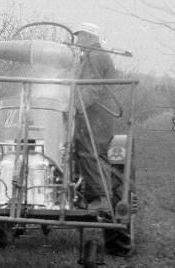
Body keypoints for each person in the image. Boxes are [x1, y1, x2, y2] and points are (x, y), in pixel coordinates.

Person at [71, 23, 118, 213]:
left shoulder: (96, 57)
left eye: (80, 36)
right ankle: (87, 196)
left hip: (98, 115)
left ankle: (102, 200)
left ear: (91, 37)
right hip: (96, 113)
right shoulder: (90, 57)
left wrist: (73, 105)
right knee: (83, 151)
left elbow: (93, 87)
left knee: (89, 152)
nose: (77, 40)